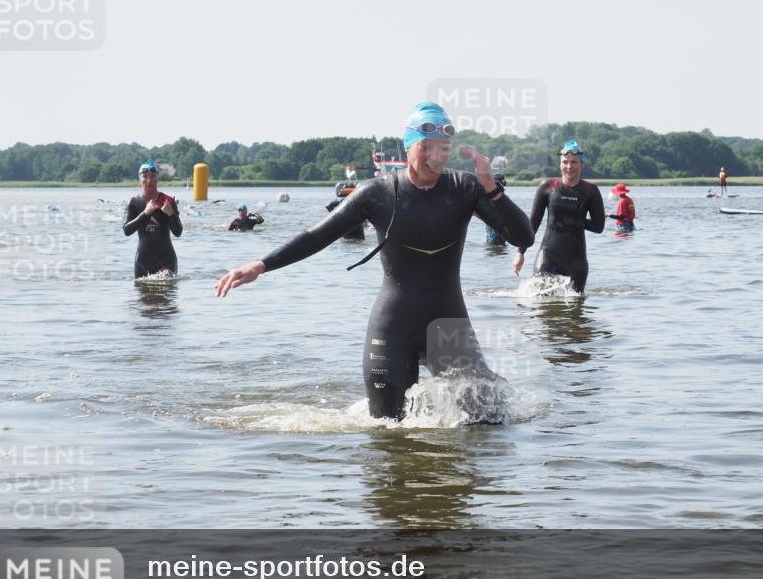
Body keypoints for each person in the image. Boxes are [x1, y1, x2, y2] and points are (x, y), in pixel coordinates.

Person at [215, 102, 534, 420]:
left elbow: (524, 237)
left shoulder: (465, 188)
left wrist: (491, 189)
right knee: (386, 429)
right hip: (393, 326)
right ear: (408, 147)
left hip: (449, 326)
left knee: (489, 417)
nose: (435, 156)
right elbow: (317, 236)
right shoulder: (378, 193)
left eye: (443, 148)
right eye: (426, 147)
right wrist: (261, 265)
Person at [511, 141, 605, 292]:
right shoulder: (547, 186)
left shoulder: (590, 191)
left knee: (575, 305)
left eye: (574, 162)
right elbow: (533, 223)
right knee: (540, 302)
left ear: (582, 165)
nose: (569, 166)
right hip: (548, 256)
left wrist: (575, 219)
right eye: (565, 162)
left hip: (576, 261)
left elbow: (598, 227)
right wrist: (520, 253)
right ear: (560, 164)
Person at [122, 161, 182, 277]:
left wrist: (171, 214)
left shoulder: (168, 201)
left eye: (153, 176)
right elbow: (126, 230)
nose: (149, 180)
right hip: (142, 263)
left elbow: (178, 232)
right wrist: (145, 213)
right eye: (145, 176)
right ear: (140, 179)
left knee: (166, 279)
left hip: (166, 262)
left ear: (157, 178)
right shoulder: (134, 202)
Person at [483, 174, 509, 245]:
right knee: (496, 245)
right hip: (498, 235)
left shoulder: (486, 198)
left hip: (495, 235)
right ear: (504, 184)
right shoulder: (506, 199)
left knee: (493, 245)